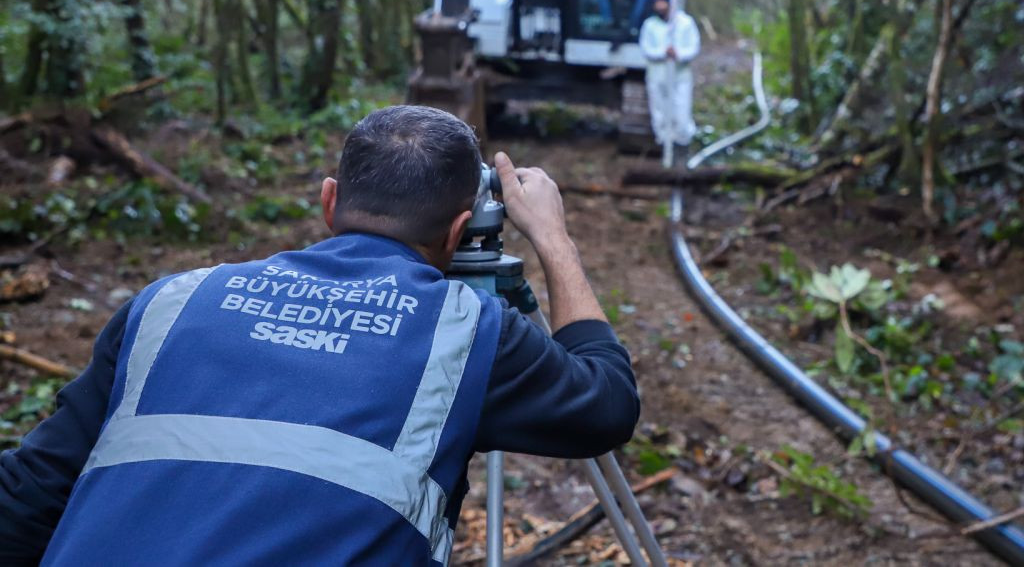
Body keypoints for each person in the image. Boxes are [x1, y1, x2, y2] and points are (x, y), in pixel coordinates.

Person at [0, 106, 639, 566]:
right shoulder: (466, 330)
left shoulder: (171, 301)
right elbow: (608, 404)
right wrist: (552, 237)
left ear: (329, 202)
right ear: (459, 232)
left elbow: (28, 499)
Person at [638, 0, 701, 150]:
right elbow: (645, 48)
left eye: (663, 2)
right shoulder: (650, 25)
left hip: (680, 76)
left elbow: (693, 47)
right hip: (657, 76)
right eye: (657, 2)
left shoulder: (685, 23)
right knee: (659, 111)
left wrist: (678, 54)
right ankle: (663, 142)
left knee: (681, 111)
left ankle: (682, 143)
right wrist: (662, 53)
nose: (660, 6)